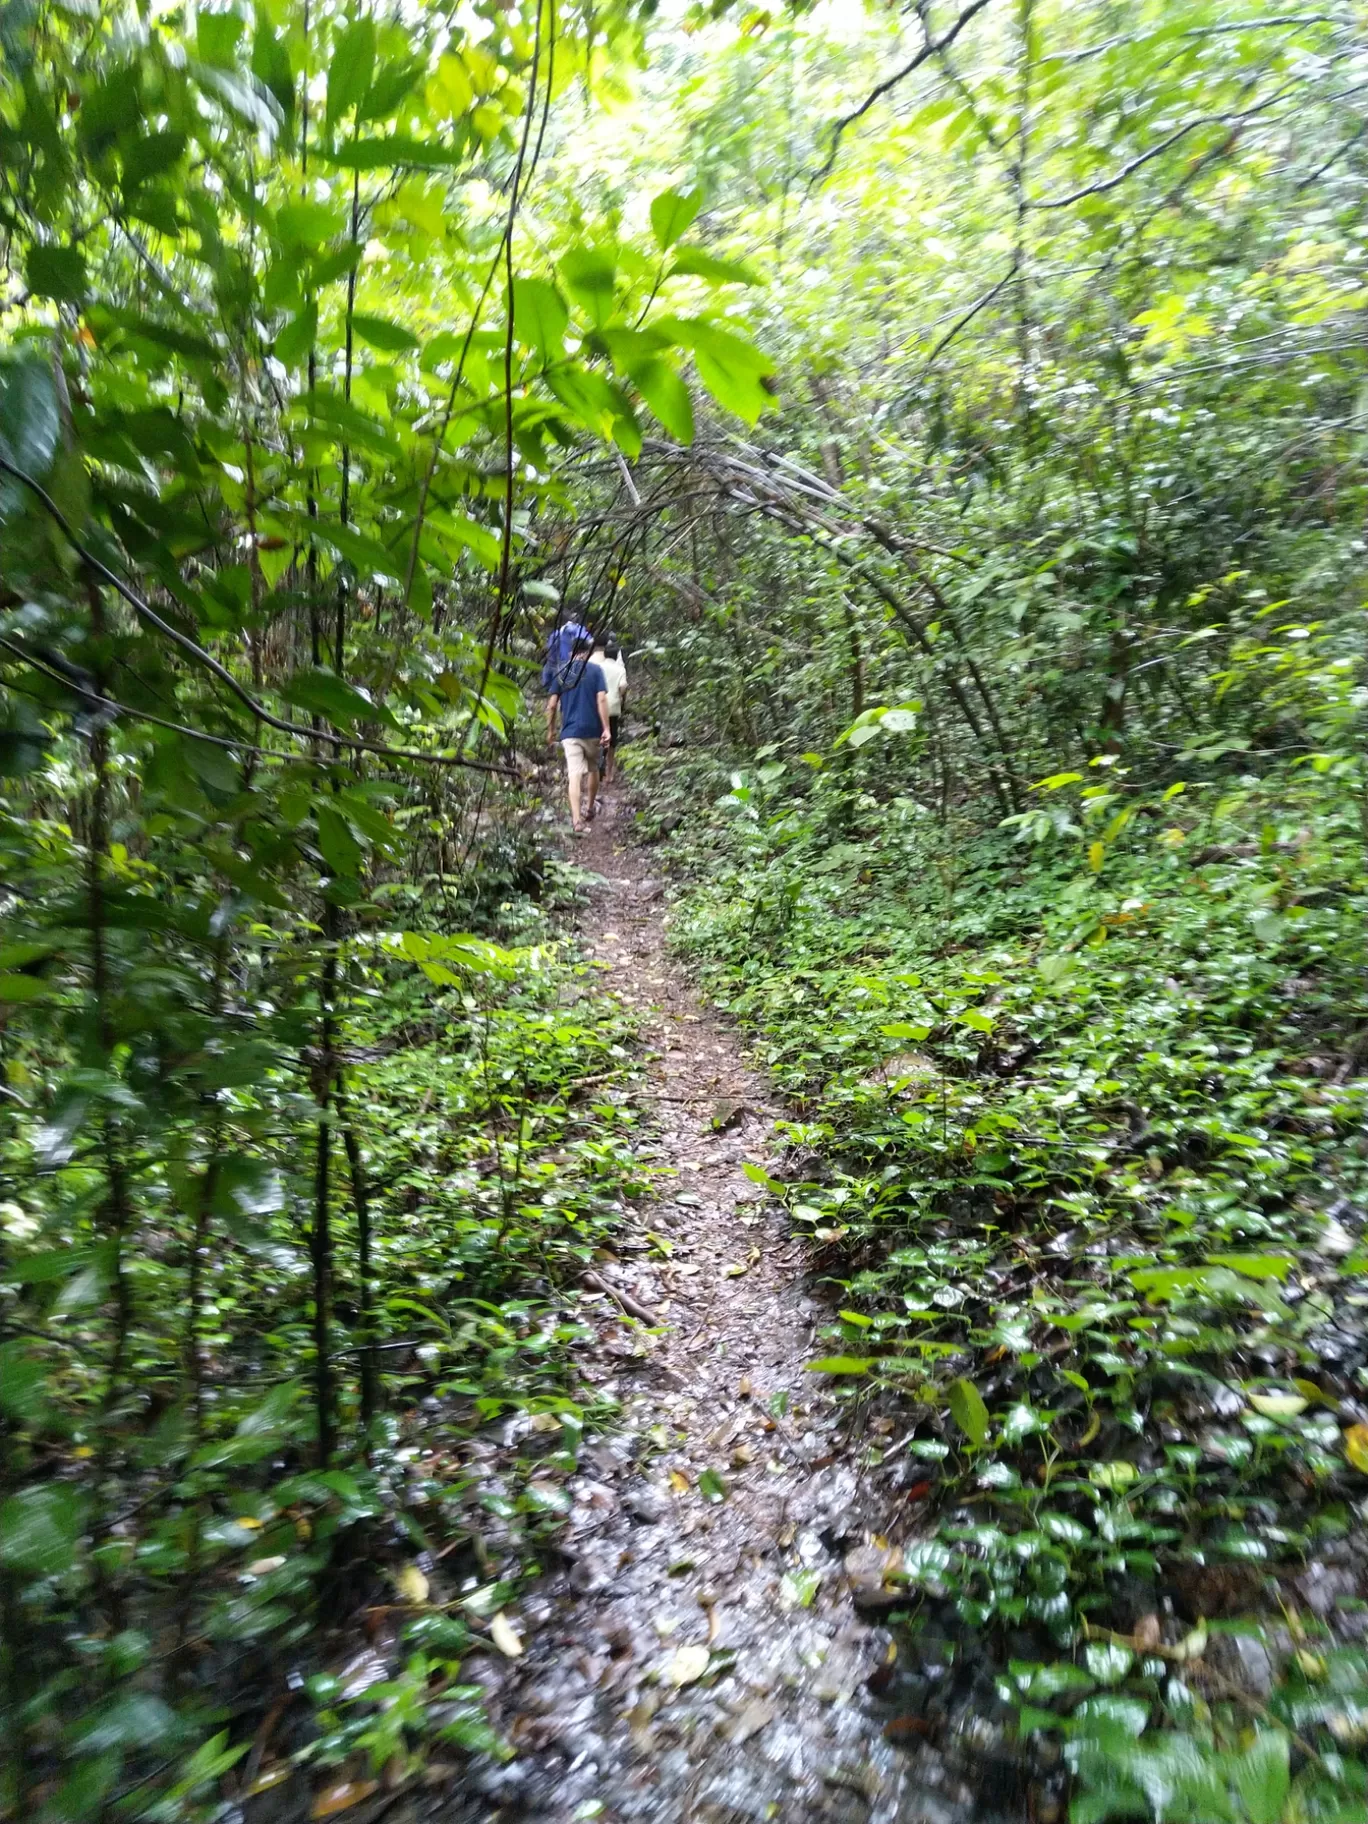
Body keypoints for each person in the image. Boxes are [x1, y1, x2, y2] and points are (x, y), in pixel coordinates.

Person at [545, 632, 611, 835]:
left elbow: (552, 705)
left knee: (574, 775)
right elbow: (601, 700)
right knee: (592, 770)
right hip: (592, 730)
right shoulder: (596, 670)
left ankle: (576, 820)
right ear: (587, 652)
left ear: (572, 652)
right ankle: (589, 808)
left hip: (570, 732)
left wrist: (551, 730)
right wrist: (606, 728)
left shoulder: (562, 671)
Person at [592, 635, 629, 784]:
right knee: (612, 740)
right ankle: (609, 772)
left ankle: (594, 769)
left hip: (598, 707)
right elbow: (623, 687)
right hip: (613, 708)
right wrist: (621, 698)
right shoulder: (620, 669)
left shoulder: (598, 668)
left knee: (596, 737)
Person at [541, 609, 590, 692]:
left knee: (551, 688)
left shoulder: (557, 632)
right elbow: (588, 642)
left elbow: (549, 648)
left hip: (555, 662)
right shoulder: (580, 630)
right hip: (570, 664)